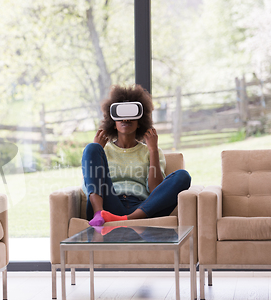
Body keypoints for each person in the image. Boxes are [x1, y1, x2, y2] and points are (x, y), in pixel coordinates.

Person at [81, 84, 191, 226]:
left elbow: (155, 190)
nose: (126, 119)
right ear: (113, 122)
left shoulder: (150, 151)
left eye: (131, 115)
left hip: (142, 207)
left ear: (140, 122)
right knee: (91, 147)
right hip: (109, 204)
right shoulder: (101, 151)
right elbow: (87, 188)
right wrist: (97, 150)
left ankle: (130, 219)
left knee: (183, 176)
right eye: (121, 116)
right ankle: (98, 214)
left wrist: (153, 150)